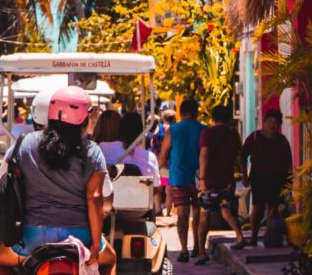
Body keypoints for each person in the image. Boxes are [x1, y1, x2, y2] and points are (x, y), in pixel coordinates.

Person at [0, 86, 117, 275]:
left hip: (33, 239)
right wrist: (94, 246)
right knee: (110, 261)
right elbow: (95, 198)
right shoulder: (92, 151)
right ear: (85, 116)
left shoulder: (24, 144)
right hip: (79, 237)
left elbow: (5, 185)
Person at [159, 98, 204, 262]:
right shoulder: (203, 129)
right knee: (198, 212)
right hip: (200, 177)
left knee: (183, 214)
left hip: (179, 176)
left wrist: (156, 170)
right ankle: (198, 246)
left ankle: (184, 249)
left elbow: (163, 155)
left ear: (181, 113)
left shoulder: (173, 129)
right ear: (196, 112)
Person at [197, 104, 244, 260]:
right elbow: (239, 157)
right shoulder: (233, 135)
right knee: (226, 210)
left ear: (213, 118)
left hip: (210, 180)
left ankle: (202, 252)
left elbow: (204, 155)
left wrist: (202, 179)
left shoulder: (207, 134)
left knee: (205, 215)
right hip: (227, 180)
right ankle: (239, 236)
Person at [241, 108, 293, 247]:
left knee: (273, 208)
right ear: (264, 122)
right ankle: (253, 237)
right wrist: (244, 176)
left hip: (278, 178)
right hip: (259, 177)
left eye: (276, 123)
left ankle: (270, 237)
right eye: (270, 121)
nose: (273, 125)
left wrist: (289, 183)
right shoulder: (254, 137)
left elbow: (289, 163)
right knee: (257, 207)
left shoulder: (282, 141)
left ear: (280, 125)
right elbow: (242, 156)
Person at [98, 111, 161, 184]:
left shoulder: (103, 148)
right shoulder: (150, 158)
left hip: (109, 194)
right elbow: (155, 187)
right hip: (141, 194)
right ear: (141, 132)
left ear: (119, 129)